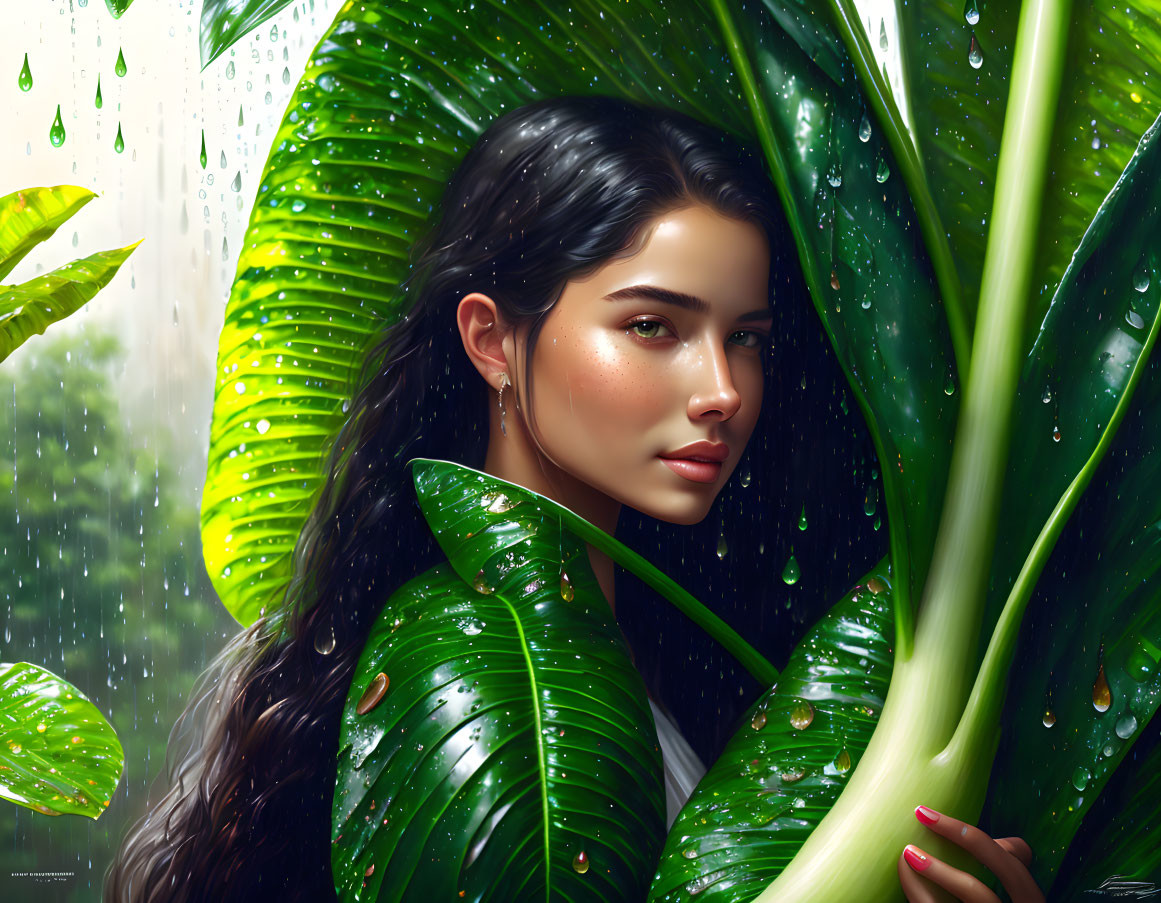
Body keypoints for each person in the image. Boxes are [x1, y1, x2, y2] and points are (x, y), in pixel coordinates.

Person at [104, 95, 1042, 902]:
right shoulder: (442, 673)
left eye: (745, 337)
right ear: (492, 341)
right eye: (652, 325)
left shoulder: (692, 660)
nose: (721, 388)